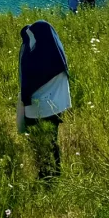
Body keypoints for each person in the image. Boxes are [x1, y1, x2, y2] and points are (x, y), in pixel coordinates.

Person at [17, 19, 70, 177]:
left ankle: (46, 176)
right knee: (52, 140)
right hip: (56, 108)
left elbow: (27, 84)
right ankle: (55, 172)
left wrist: (24, 103)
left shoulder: (32, 58)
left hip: (37, 109)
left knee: (40, 143)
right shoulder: (57, 56)